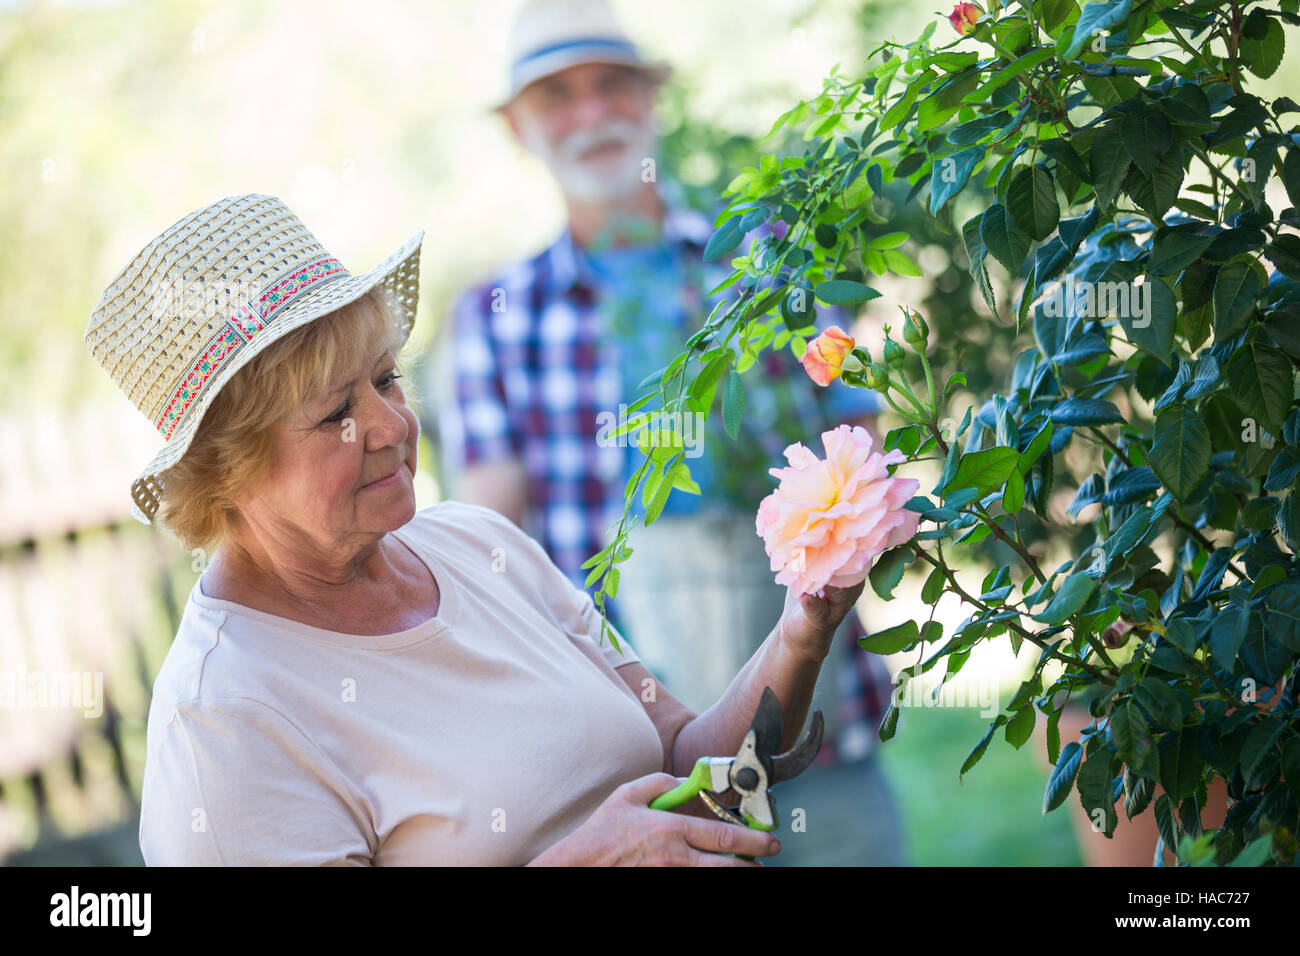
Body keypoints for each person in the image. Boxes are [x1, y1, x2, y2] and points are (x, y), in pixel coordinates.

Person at [85, 193, 864, 865]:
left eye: (387, 378)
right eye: (335, 416)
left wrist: (803, 625)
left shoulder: (480, 547)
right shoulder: (225, 719)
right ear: (227, 474)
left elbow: (685, 759)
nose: (390, 426)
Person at [430, 0, 906, 864]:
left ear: (650, 100)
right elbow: (495, 550)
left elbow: (859, 434)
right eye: (557, 96)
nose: (591, 112)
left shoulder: (765, 263)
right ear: (517, 127)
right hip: (645, 783)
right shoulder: (495, 319)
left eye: (612, 85)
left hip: (818, 738)